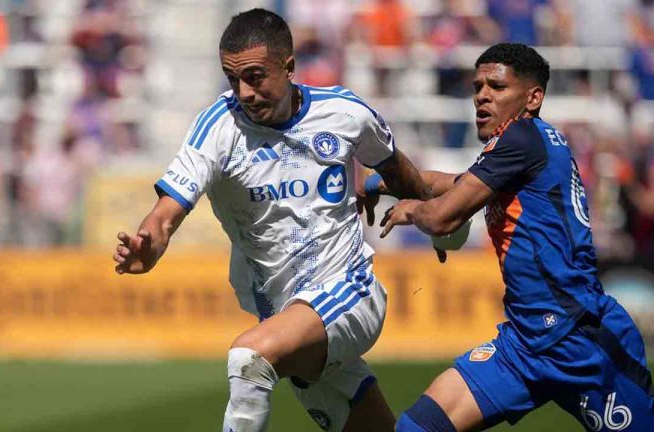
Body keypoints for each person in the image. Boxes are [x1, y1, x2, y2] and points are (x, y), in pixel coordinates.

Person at [112, 8, 432, 432]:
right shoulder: (218, 128)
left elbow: (403, 175)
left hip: (351, 291)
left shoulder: (345, 114)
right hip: (285, 319)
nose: (244, 91)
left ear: (289, 67)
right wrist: (149, 244)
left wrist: (443, 213)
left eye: (256, 76)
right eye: (233, 79)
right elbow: (165, 214)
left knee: (249, 359)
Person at [373, 43, 654, 431]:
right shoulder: (524, 147)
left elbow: (443, 217)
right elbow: (450, 183)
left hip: (579, 340)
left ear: (533, 98)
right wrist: (377, 181)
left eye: (496, 86)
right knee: (417, 427)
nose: (481, 95)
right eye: (477, 86)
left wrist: (409, 208)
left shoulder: (520, 140)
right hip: (524, 345)